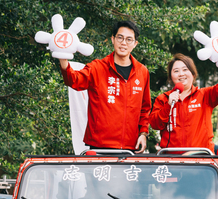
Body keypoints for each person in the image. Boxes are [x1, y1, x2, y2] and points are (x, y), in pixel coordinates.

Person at [59, 20, 150, 152]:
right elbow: (73, 80)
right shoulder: (97, 67)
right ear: (113, 39)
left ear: (135, 44)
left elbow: (145, 108)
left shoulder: (142, 72)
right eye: (120, 37)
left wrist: (143, 134)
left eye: (129, 39)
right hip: (99, 146)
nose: (123, 42)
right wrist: (63, 55)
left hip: (130, 146)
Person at [150, 53, 218, 152]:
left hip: (201, 159)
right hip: (172, 160)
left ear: (193, 74)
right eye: (176, 71)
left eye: (185, 69)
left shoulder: (205, 95)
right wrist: (168, 105)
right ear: (171, 76)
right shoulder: (163, 99)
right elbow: (155, 124)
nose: (181, 74)